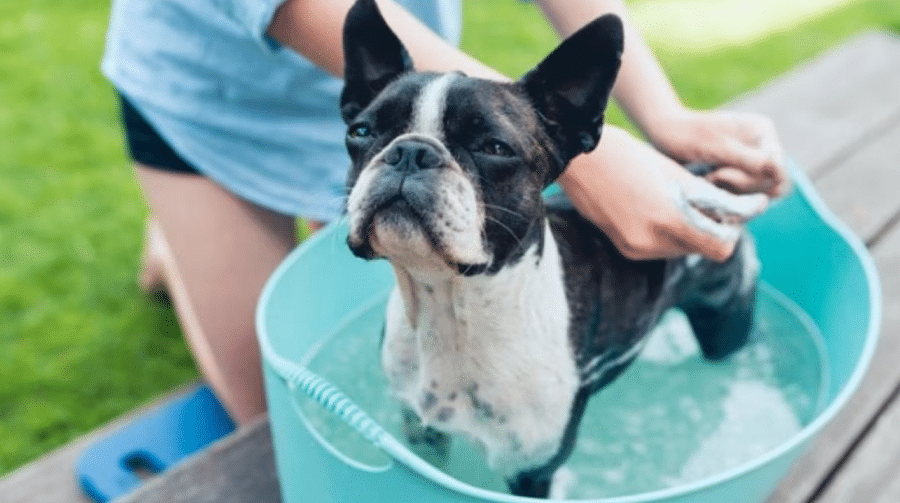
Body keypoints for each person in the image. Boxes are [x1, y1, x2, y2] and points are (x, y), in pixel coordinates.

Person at [102, 0, 789, 426]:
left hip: (390, 98)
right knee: (276, 415)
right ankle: (183, 233)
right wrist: (586, 158)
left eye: (492, 146)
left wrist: (661, 112)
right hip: (214, 93)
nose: (419, 163)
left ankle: (187, 246)